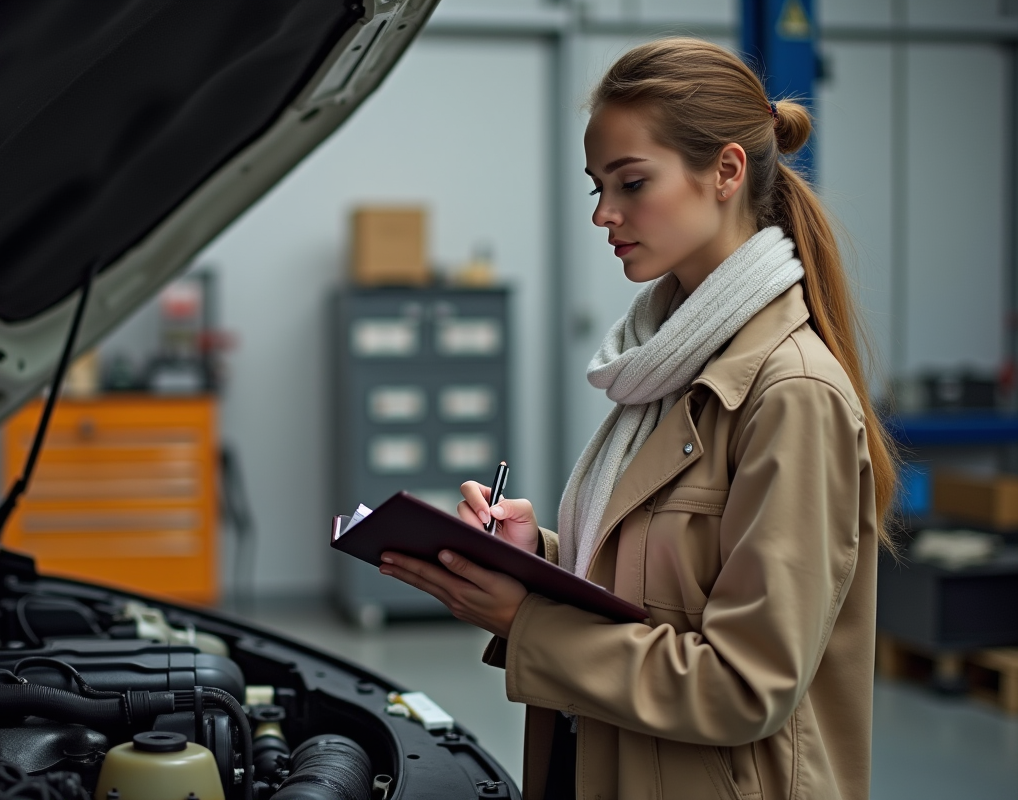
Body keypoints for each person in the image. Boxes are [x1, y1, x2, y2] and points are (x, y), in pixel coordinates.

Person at [378, 37, 896, 800]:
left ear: (725, 171)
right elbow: (666, 590)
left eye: (630, 183)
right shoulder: (669, 365)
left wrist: (528, 620)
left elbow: (745, 685)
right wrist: (544, 559)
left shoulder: (789, 394)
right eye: (596, 187)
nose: (603, 213)